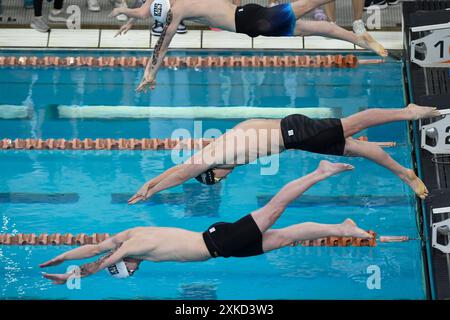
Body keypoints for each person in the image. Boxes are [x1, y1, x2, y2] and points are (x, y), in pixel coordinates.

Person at [40, 160, 372, 284]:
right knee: (283, 237)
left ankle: (320, 172)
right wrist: (65, 256)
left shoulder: (135, 246)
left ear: (126, 261)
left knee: (275, 209)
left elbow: (100, 260)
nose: (137, 268)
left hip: (217, 242)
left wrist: (72, 275)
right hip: (219, 245)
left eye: (131, 269)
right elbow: (98, 247)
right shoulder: (128, 236)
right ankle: (342, 228)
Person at [128, 104, 440, 205]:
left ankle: (406, 112)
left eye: (216, 180)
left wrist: (152, 187)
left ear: (213, 172)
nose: (223, 179)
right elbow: (182, 167)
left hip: (293, 133)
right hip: (294, 137)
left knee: (354, 124)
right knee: (357, 148)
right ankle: (405, 173)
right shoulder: (218, 153)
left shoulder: (214, 156)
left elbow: (182, 172)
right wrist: (154, 182)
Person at [108, 0, 388, 92]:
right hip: (253, 20)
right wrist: (128, 15)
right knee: (316, 29)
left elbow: (162, 44)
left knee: (309, 6)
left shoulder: (175, 15)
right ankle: (360, 41)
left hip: (255, 22)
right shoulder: (172, 3)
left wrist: (150, 73)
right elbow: (145, 10)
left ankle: (360, 35)